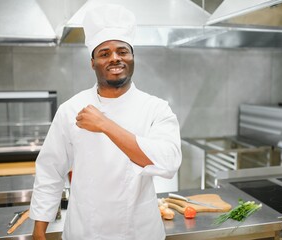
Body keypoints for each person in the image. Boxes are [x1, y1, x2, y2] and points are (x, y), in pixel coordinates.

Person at [29, 4, 182, 240]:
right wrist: (39, 231)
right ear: (92, 62)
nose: (115, 58)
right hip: (86, 230)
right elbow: (50, 170)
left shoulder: (155, 108)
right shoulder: (70, 109)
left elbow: (168, 163)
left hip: (139, 231)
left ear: (132, 58)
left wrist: (105, 124)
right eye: (104, 53)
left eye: (122, 51)